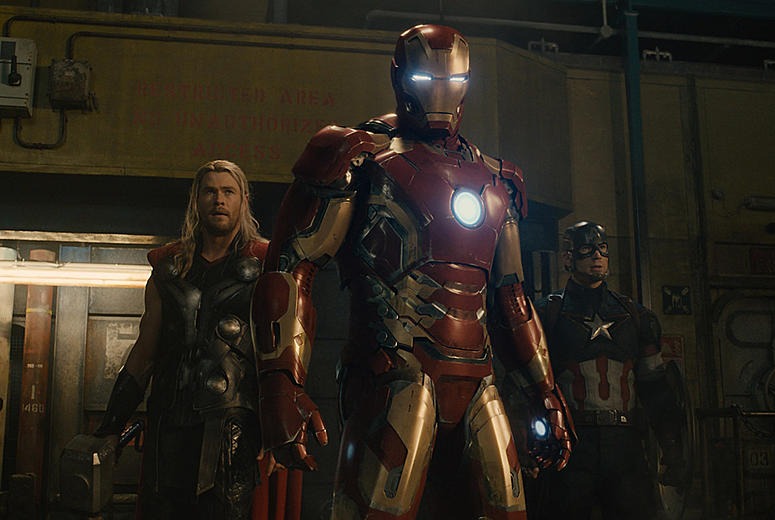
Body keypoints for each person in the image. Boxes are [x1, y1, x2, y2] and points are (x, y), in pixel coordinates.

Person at [251, 24, 576, 519]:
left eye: (455, 79)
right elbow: (291, 269)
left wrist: (545, 392)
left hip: (479, 379)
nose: (441, 92)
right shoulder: (358, 158)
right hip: (395, 370)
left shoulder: (497, 178)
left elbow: (512, 300)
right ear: (401, 78)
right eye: (426, 78)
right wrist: (280, 382)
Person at [94, 159, 269, 519]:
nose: (219, 200)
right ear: (196, 200)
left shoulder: (265, 265)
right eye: (210, 191)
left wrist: (279, 430)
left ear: (243, 201)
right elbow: (144, 352)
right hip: (169, 424)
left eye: (228, 192)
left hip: (232, 427)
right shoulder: (168, 267)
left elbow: (278, 352)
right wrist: (112, 424)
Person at [520, 220, 685, 520]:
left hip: (625, 448)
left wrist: (672, 447)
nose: (597, 255)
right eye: (587, 249)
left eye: (602, 248)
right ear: (568, 257)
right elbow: (527, 386)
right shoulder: (546, 314)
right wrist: (527, 444)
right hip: (570, 445)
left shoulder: (635, 317)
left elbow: (656, 389)